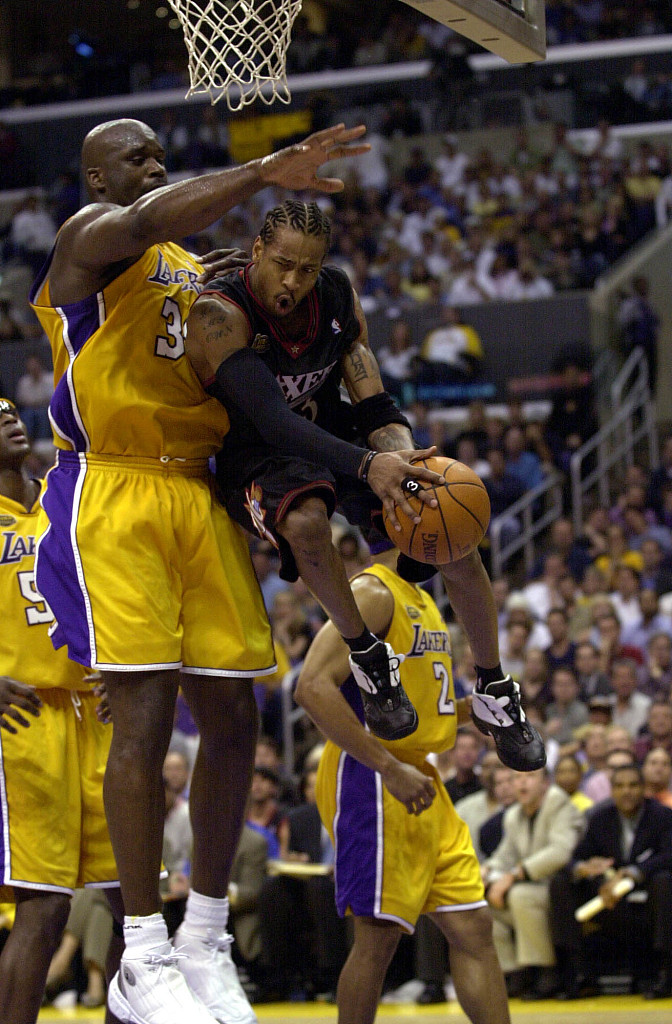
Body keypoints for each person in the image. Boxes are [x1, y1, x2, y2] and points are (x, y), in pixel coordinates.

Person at [27, 117, 373, 1024]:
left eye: (157, 153)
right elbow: (145, 221)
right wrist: (267, 169)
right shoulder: (89, 239)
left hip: (199, 488)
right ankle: (141, 954)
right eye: (133, 157)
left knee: (233, 715)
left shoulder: (195, 265)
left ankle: (204, 939)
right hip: (116, 487)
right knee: (144, 717)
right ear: (96, 176)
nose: (153, 163)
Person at [184, 199, 545, 773]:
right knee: (306, 522)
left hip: (334, 431)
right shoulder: (219, 312)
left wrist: (404, 459)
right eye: (282, 264)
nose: (293, 280)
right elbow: (273, 420)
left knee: (444, 519)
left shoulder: (335, 296)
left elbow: (373, 401)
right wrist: (368, 466)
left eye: (307, 268)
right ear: (257, 250)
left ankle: (494, 686)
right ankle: (367, 656)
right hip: (253, 450)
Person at [294, 543, 512, 1024]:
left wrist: (473, 710)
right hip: (372, 773)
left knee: (474, 926)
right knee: (377, 938)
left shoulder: (423, 596)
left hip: (419, 772)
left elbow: (421, 707)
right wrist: (388, 768)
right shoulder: (372, 593)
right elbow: (311, 688)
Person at [0, 398, 122, 1024]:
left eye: (9, 411)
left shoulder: (64, 496)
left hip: (96, 709)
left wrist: (124, 667)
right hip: (27, 718)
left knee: (134, 900)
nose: (8, 418)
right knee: (44, 905)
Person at [549, 764, 672, 999]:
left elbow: (668, 855)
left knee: (664, 881)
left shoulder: (662, 816)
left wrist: (634, 873)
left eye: (633, 785)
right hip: (609, 897)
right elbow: (575, 857)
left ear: (644, 789)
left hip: (648, 894)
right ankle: (578, 975)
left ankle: (665, 974)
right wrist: (583, 868)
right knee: (561, 882)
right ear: (612, 791)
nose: (626, 791)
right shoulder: (600, 818)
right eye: (619, 786)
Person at [482, 768, 583, 1000]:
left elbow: (560, 852)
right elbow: (504, 855)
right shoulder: (513, 815)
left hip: (565, 889)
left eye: (529, 777)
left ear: (545, 783)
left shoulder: (559, 804)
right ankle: (512, 972)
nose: (522, 783)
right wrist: (485, 871)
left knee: (521, 895)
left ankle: (545, 972)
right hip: (533, 886)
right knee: (483, 901)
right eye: (517, 778)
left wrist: (513, 875)